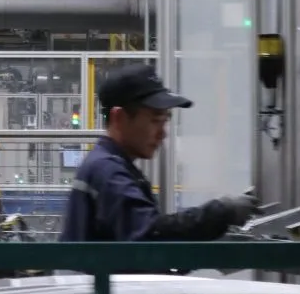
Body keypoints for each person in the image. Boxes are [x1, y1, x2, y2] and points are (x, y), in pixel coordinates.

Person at [59, 63, 259, 242]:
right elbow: (151, 236)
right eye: (155, 120)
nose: (162, 133)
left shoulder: (109, 164)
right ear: (119, 118)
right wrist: (222, 212)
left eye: (165, 121)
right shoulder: (107, 170)